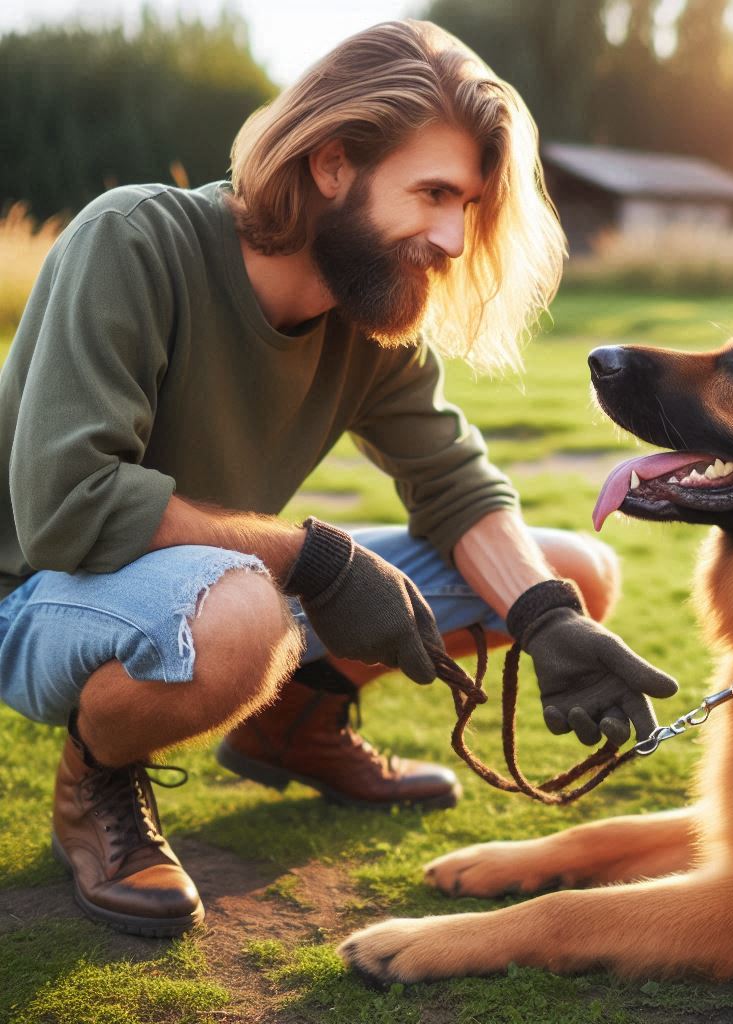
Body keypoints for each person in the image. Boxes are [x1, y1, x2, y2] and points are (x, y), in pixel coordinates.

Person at [0, 20, 677, 938]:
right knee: (249, 615)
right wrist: (316, 560)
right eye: (433, 192)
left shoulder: (371, 311)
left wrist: (544, 619)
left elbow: (455, 485)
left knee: (571, 573)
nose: (449, 236)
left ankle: (292, 729)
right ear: (330, 164)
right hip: (40, 594)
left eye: (467, 205)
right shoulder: (135, 239)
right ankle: (95, 777)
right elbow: (66, 506)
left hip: (212, 582)